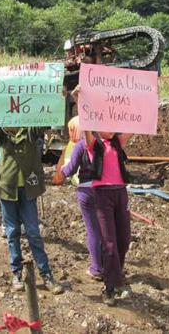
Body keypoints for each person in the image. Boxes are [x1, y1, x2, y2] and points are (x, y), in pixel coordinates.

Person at [0, 126, 64, 295]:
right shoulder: (2, 135)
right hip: (8, 189)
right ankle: (16, 273)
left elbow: (44, 121)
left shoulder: (30, 132)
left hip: (28, 190)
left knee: (33, 232)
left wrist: (61, 100)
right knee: (12, 231)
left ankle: (46, 274)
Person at [83, 127, 133, 306]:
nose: (112, 129)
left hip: (120, 192)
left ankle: (116, 274)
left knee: (125, 240)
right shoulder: (94, 144)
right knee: (109, 243)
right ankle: (110, 286)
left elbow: (134, 125)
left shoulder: (117, 143)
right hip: (102, 195)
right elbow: (86, 127)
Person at [54, 118, 103, 283]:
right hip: (107, 190)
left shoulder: (81, 145)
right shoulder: (106, 143)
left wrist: (61, 168)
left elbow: (69, 170)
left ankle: (97, 268)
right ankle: (111, 265)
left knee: (93, 230)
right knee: (107, 228)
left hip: (88, 191)